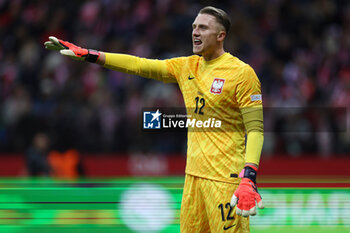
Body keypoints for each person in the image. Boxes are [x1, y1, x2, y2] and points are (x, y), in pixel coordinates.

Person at [45, 6, 264, 233]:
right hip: (194, 179)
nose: (195, 32)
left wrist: (248, 176)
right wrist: (89, 54)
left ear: (221, 36)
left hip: (225, 180)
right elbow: (140, 65)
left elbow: (255, 129)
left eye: (203, 28)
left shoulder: (242, 73)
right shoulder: (187, 66)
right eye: (194, 27)